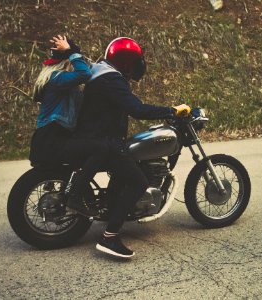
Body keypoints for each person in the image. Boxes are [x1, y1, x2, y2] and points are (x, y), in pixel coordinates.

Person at [73, 37, 191, 258]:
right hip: (104, 142)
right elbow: (136, 109)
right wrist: (171, 111)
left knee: (126, 170)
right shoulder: (111, 79)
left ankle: (113, 208)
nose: (140, 65)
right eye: (137, 60)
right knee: (138, 181)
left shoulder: (101, 73)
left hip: (98, 138)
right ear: (127, 62)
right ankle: (110, 237)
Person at [29, 35, 108, 217]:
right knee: (101, 150)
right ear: (68, 61)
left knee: (92, 147)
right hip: (52, 138)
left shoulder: (64, 86)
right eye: (73, 58)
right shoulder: (57, 78)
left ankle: (76, 190)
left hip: (51, 138)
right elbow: (84, 74)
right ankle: (74, 196)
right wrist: (73, 52)